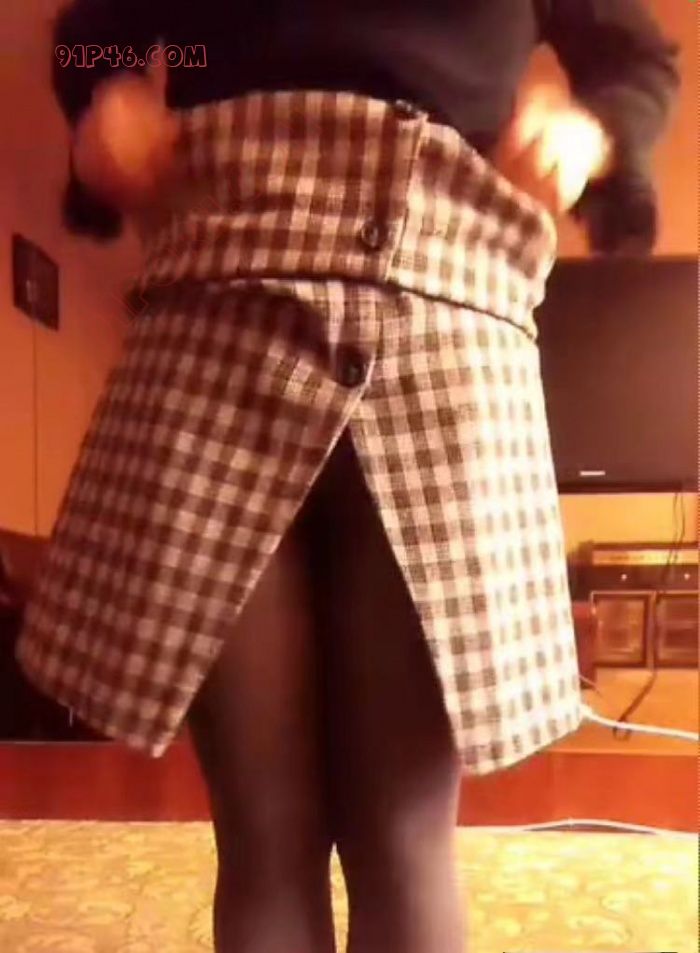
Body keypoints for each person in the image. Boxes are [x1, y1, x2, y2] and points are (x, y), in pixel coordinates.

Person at [16, 2, 678, 952]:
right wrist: (107, 93)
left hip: (447, 324)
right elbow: (99, 33)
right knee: (265, 836)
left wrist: (593, 128)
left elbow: (636, 60)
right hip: (217, 316)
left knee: (401, 838)